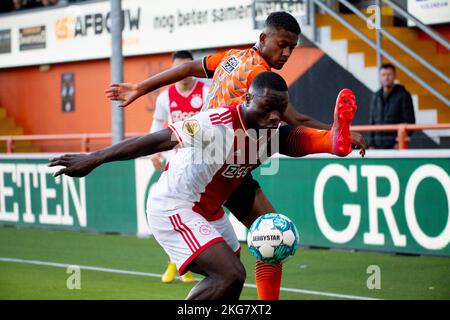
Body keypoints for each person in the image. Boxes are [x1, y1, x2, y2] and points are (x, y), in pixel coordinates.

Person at [105, 11, 365, 300]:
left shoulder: (232, 57)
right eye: (283, 44)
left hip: (222, 156)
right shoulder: (261, 78)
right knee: (268, 238)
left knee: (266, 239)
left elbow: (189, 68)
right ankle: (330, 141)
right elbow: (293, 120)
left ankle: (330, 141)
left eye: (293, 47)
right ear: (263, 38)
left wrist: (142, 87)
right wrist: (332, 132)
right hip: (223, 158)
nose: (288, 52)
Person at [50, 72, 358, 300]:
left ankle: (331, 140)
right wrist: (95, 158)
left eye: (281, 110)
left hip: (210, 211)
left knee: (236, 278)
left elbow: (293, 139)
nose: (275, 117)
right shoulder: (216, 124)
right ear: (247, 99)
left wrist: (332, 141)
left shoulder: (272, 127)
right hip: (174, 206)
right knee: (229, 274)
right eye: (267, 108)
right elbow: (156, 140)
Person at [150, 50, 209, 283]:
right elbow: (156, 125)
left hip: (205, 160)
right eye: (179, 69)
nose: (184, 74)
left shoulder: (206, 91)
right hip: (176, 161)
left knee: (199, 211)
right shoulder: (165, 97)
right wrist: (154, 151)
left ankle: (183, 265)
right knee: (174, 210)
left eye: (188, 67)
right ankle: (176, 264)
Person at [368, 63, 415, 149]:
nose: (386, 77)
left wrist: (400, 142)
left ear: (394, 76)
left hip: (395, 146)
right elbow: (372, 122)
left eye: (389, 74)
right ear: (380, 77)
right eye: (383, 75)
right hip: (377, 147)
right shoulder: (376, 96)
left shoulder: (403, 95)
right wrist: (371, 144)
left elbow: (410, 121)